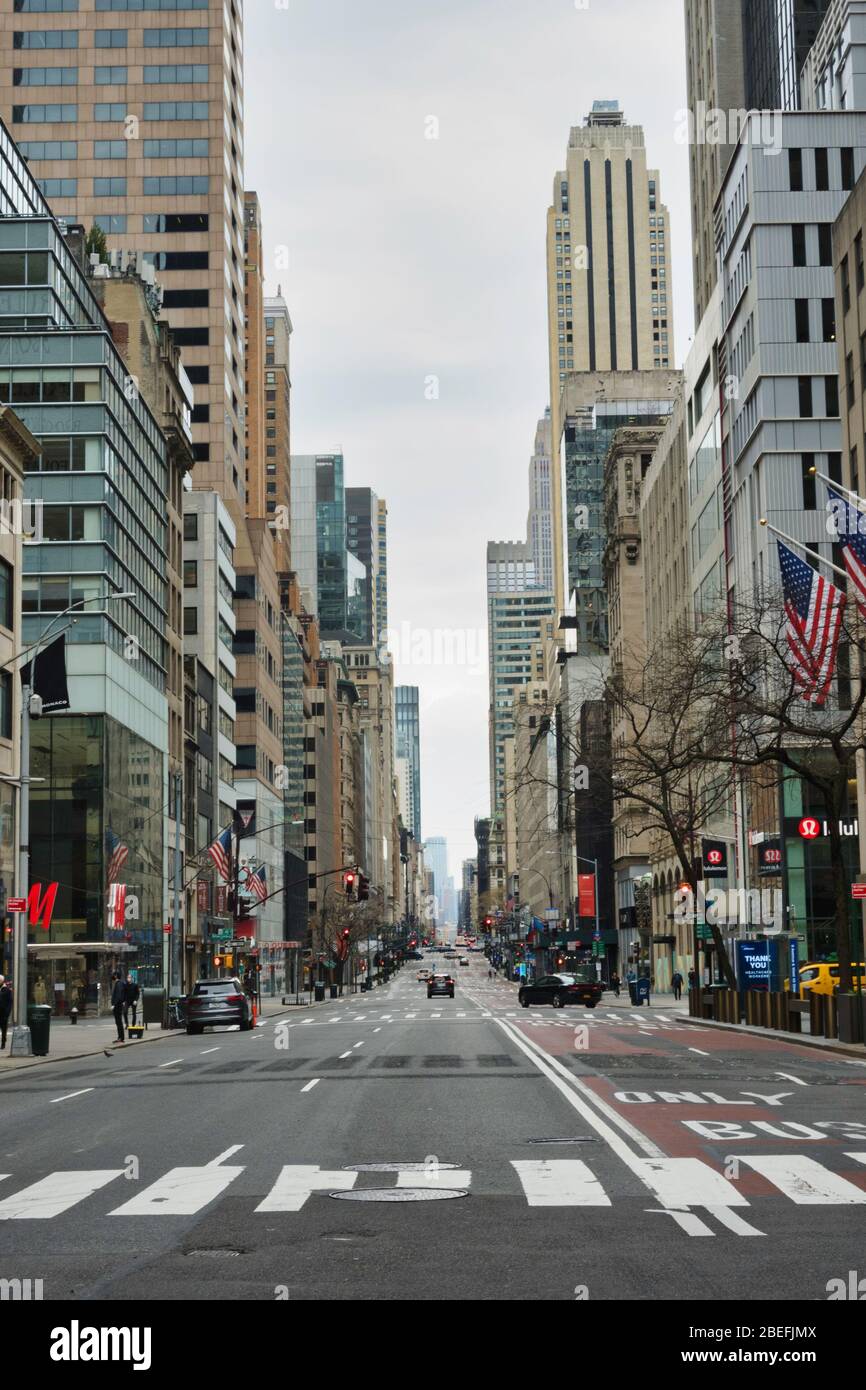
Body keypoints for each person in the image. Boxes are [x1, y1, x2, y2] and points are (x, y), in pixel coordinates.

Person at [111, 972, 126, 1043]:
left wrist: (114, 1004)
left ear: (116, 976)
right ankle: (120, 1037)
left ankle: (121, 1037)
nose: (112, 976)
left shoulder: (119, 984)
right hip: (118, 1005)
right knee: (118, 1022)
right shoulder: (120, 983)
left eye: (113, 975)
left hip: (117, 1006)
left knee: (119, 1022)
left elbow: (118, 995)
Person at [0, 976, 12, 1049]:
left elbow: (10, 1002)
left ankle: (3, 1043)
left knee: (4, 1029)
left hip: (3, 1013)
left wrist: (7, 1013)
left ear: (2, 981)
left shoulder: (7, 990)